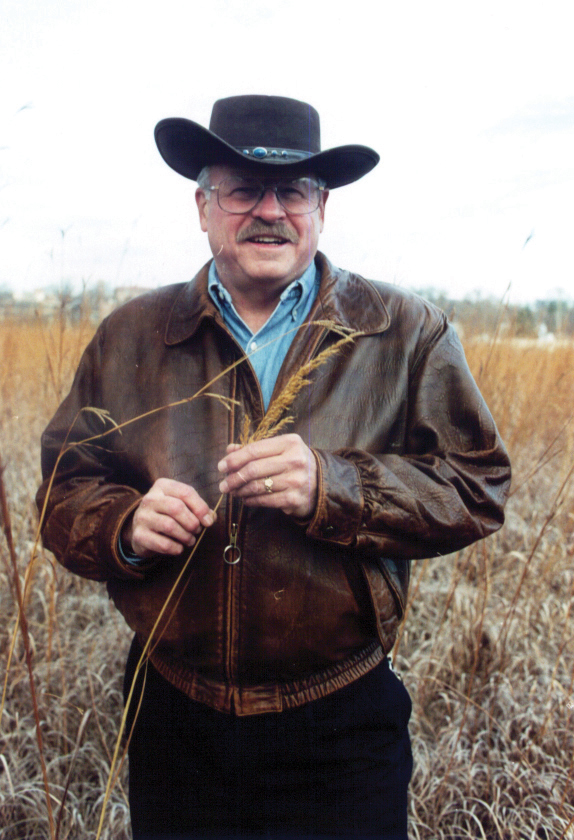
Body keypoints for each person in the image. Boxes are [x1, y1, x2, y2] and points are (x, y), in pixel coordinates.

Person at [37, 95, 511, 840]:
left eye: (292, 191)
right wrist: (125, 525)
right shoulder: (131, 334)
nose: (269, 210)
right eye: (241, 189)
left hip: (340, 719)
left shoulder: (405, 331)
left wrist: (336, 487)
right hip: (175, 713)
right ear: (202, 206)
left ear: (321, 206)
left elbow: (478, 488)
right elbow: (63, 489)